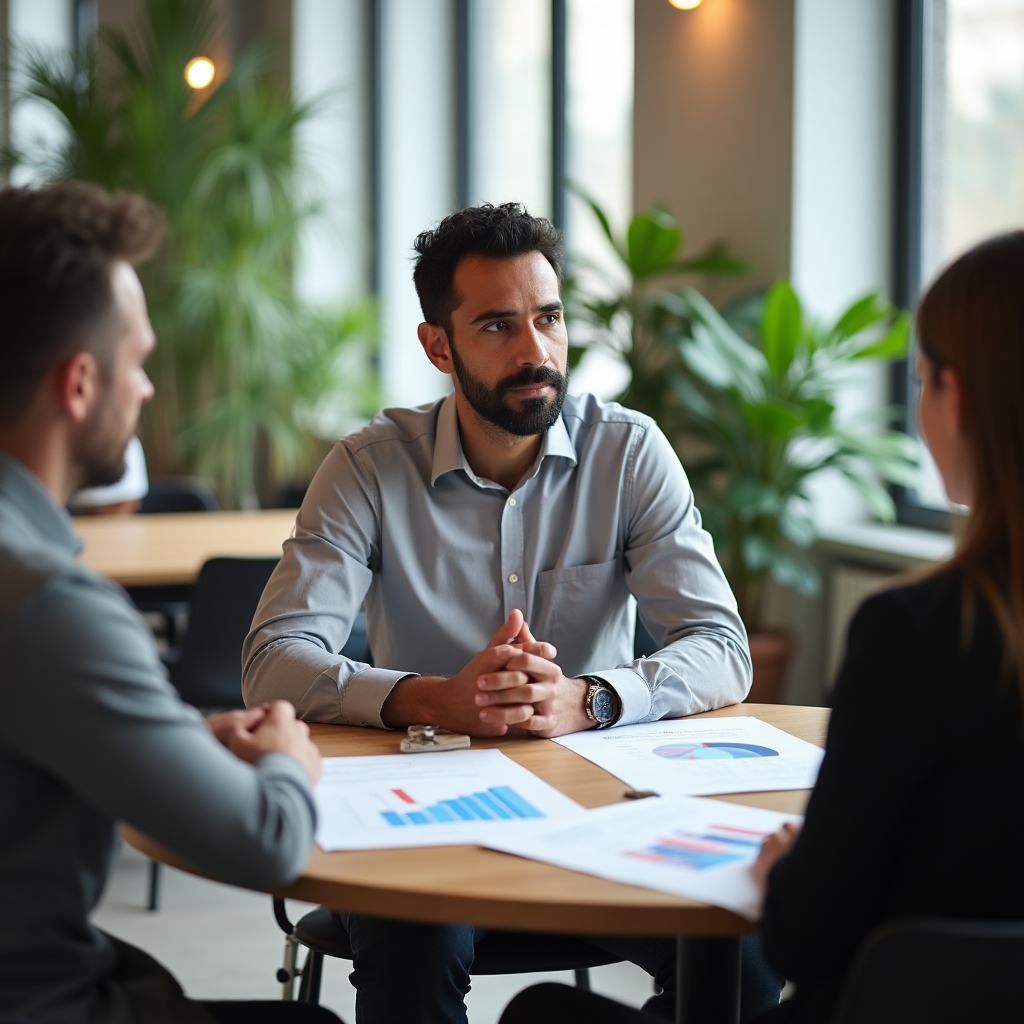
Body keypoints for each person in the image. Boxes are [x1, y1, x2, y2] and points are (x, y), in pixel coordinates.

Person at [241, 203, 779, 1023]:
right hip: (422, 815)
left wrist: (592, 698)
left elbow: (722, 646)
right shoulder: (367, 469)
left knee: (744, 960)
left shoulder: (628, 452)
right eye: (498, 326)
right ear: (439, 346)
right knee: (412, 957)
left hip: (598, 806)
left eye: (549, 318)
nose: (536, 351)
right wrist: (434, 699)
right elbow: (272, 659)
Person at [497, 230, 1024, 1023]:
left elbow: (804, 939)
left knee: (543, 1014)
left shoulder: (918, 637)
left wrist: (788, 874)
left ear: (958, 397)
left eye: (920, 380)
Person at [0, 182, 337, 1024]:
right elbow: (266, 841)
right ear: (81, 384)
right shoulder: (50, 605)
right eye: (139, 361)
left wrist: (178, 734)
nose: (147, 389)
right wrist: (288, 761)